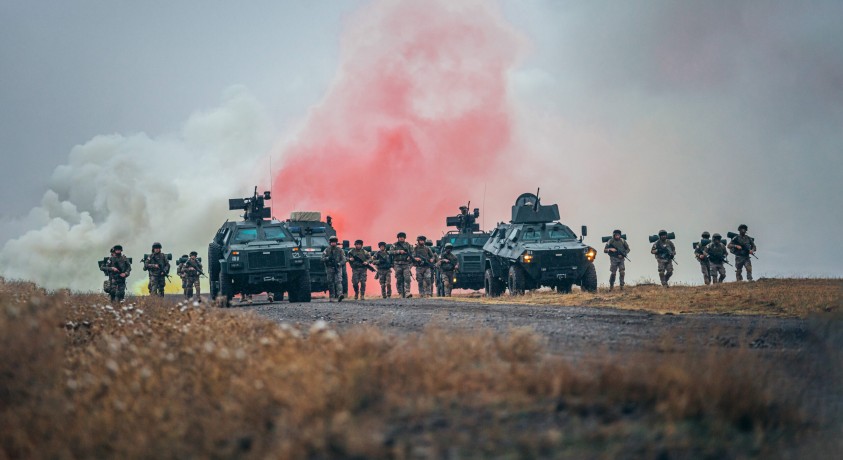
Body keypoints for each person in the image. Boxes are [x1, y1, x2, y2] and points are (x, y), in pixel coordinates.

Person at [321, 235, 346, 302]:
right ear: (330, 242)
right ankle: (332, 296)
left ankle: (340, 294)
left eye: (334, 242)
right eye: (332, 242)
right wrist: (328, 258)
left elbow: (344, 259)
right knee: (330, 282)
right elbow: (322, 258)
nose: (333, 243)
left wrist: (339, 264)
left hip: (337, 267)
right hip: (329, 268)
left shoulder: (340, 250)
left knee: (338, 281)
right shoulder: (327, 250)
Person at [390, 232, 413, 298]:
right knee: (399, 279)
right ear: (398, 238)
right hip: (397, 264)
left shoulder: (408, 245)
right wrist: (399, 251)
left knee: (407, 278)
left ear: (404, 238)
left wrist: (410, 257)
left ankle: (407, 292)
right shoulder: (394, 245)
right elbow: (390, 252)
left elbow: (413, 253)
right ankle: (400, 293)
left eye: (402, 237)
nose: (401, 238)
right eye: (400, 237)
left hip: (406, 264)